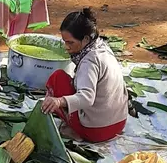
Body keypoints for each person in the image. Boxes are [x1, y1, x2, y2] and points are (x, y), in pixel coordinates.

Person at [42, 8, 128, 143]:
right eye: (65, 42)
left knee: (58, 78)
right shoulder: (102, 47)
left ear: (86, 39)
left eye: (70, 42)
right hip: (119, 123)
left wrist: (59, 101)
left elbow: (87, 98)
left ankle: (75, 130)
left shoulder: (89, 62)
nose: (66, 47)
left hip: (97, 131)